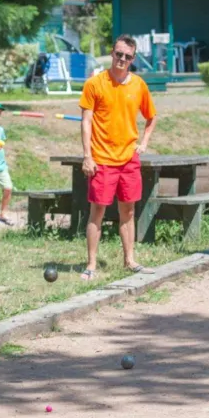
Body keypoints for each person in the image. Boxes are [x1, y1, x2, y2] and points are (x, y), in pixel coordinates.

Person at [79, 34, 158, 280]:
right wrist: (87, 156)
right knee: (97, 211)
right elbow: (86, 121)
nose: (122, 59)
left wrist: (144, 143)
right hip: (101, 158)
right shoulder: (95, 84)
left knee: (129, 211)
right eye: (118, 54)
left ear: (133, 59)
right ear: (112, 53)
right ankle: (91, 264)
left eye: (127, 56)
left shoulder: (139, 85)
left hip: (128, 159)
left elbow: (151, 117)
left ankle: (129, 260)